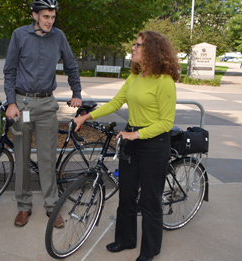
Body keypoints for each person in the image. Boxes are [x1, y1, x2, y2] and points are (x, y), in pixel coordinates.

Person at [74, 31, 180, 261]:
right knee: (127, 195)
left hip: (154, 145)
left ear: (151, 51)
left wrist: (136, 135)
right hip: (132, 141)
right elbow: (115, 103)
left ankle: (150, 250)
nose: (133, 48)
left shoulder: (164, 82)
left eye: (138, 45)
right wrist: (86, 117)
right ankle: (125, 239)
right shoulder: (134, 77)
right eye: (134, 44)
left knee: (150, 201)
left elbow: (166, 122)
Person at [4, 0, 82, 228]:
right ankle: (23, 207)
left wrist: (76, 92)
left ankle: (51, 206)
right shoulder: (19, 35)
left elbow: (71, 65)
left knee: (48, 159)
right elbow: (10, 71)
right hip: (22, 104)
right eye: (46, 16)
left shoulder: (59, 37)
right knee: (23, 158)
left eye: (53, 17)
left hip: (47, 104)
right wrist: (10, 102)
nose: (50, 21)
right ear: (34, 15)